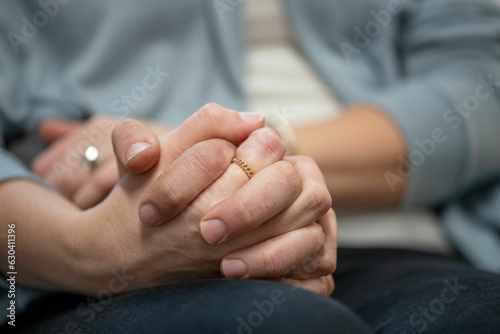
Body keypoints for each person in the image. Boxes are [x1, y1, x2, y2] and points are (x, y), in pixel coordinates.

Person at [1, 0, 500, 333]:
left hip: (402, 241)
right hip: (100, 245)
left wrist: (244, 156)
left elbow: (482, 86)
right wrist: (88, 252)